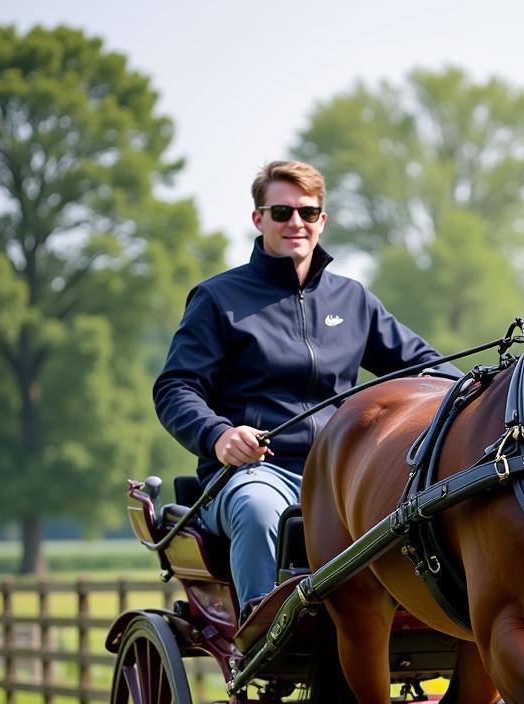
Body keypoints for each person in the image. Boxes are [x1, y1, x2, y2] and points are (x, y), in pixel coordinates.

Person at [154, 160, 454, 613]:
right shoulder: (217, 299)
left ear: (322, 221)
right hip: (252, 475)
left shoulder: (353, 300)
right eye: (282, 213)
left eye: (308, 213)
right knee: (257, 509)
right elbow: (175, 388)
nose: (296, 223)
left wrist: (482, 392)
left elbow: (427, 368)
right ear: (259, 219)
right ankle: (261, 629)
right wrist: (219, 435)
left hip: (339, 476)